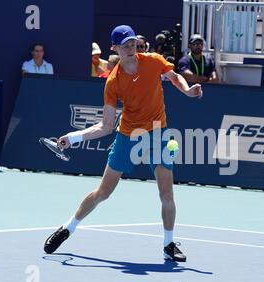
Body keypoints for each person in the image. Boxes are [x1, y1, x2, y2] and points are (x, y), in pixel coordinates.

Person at [43, 25, 203, 262]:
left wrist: (188, 90)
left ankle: (169, 244)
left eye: (132, 43)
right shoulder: (113, 82)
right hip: (128, 135)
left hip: (158, 133)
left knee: (166, 193)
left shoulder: (153, 61)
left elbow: (174, 76)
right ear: (114, 48)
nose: (130, 48)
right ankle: (68, 227)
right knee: (103, 193)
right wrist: (73, 137)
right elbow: (106, 126)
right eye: (125, 45)